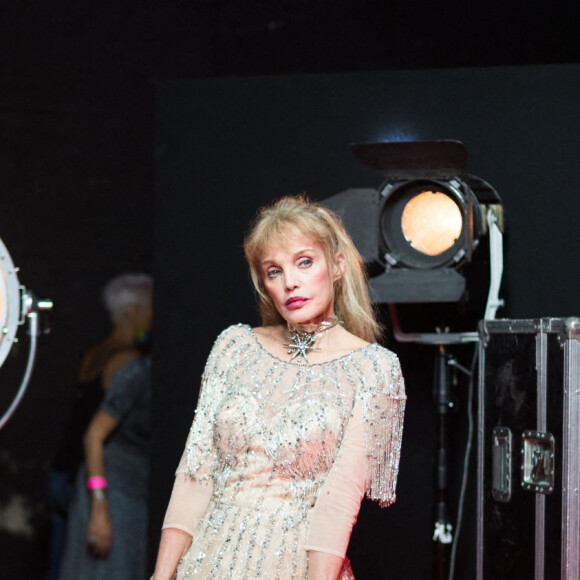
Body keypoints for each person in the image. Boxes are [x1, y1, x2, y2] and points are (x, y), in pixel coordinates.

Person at [153, 195, 406, 580]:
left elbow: (338, 503)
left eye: (305, 262)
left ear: (336, 266)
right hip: (204, 563)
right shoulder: (234, 347)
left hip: (295, 566)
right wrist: (161, 575)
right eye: (274, 271)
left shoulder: (373, 369)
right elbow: (195, 473)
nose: (291, 282)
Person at [44, 273, 153, 580]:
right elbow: (94, 430)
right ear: (133, 310)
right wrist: (100, 501)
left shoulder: (97, 352)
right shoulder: (127, 361)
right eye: (150, 306)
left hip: (67, 471)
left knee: (69, 562)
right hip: (95, 475)